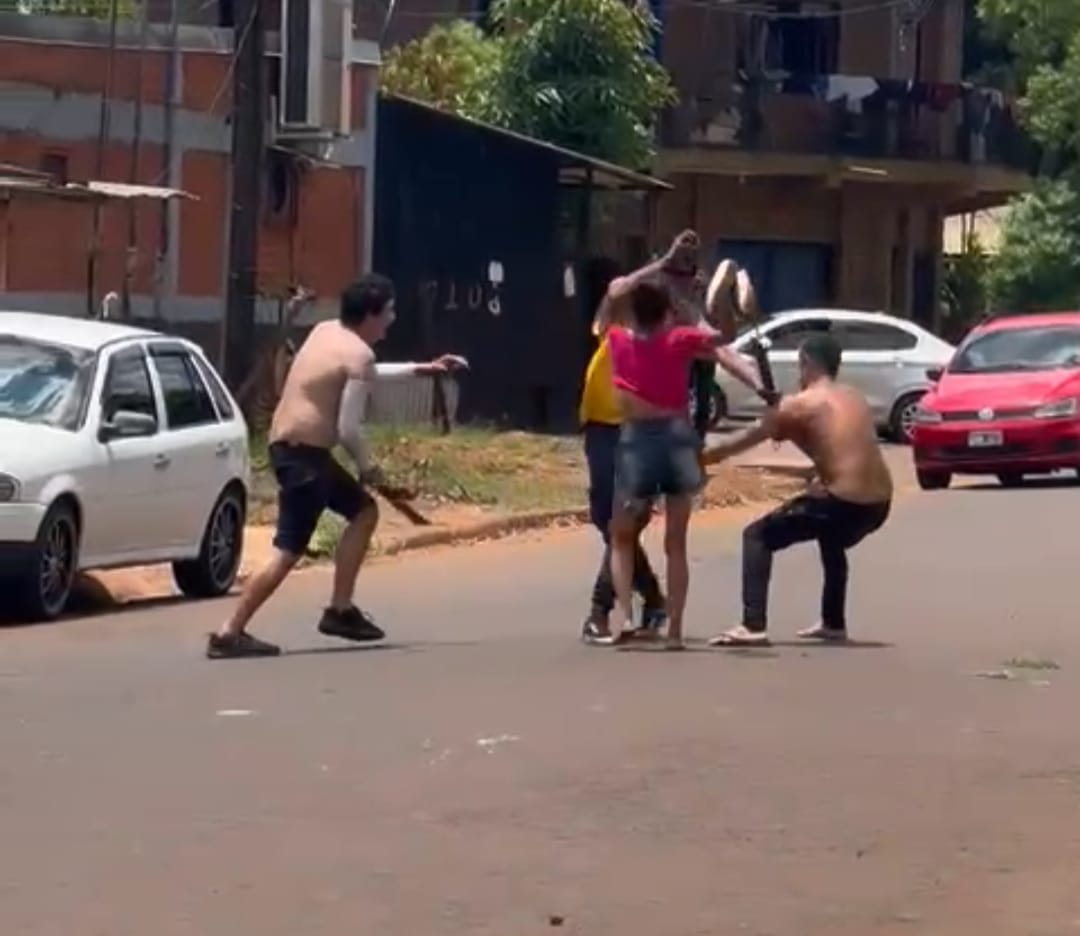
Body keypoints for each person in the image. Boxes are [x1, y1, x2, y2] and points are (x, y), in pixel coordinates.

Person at [207, 274, 467, 659]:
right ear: (370, 316)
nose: (392, 321)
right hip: (305, 461)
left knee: (363, 511)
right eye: (389, 313)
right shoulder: (360, 355)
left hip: (290, 450)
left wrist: (424, 368)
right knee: (288, 550)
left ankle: (340, 609)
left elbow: (363, 374)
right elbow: (348, 427)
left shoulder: (325, 331)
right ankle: (230, 633)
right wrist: (369, 467)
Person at [599, 277, 768, 650]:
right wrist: (719, 307)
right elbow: (724, 339)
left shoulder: (617, 339)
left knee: (622, 535)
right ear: (667, 313)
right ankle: (674, 630)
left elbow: (611, 297)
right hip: (677, 436)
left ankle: (625, 616)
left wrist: (634, 283)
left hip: (636, 440)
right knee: (676, 541)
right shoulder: (678, 339)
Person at [703, 333, 893, 648]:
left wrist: (700, 456)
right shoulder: (854, 396)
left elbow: (738, 443)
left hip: (843, 502)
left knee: (757, 536)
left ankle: (752, 625)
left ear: (806, 364)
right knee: (830, 536)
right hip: (878, 504)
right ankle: (833, 622)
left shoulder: (800, 404)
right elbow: (836, 447)